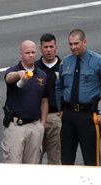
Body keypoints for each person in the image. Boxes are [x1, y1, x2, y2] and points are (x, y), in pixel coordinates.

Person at [55, 29, 101, 166]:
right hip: (68, 116)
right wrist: (60, 110)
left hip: (88, 116)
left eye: (76, 43)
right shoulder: (66, 62)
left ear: (85, 42)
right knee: (66, 160)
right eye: (70, 44)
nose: (73, 47)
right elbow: (59, 86)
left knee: (91, 161)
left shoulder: (97, 61)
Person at [2, 41, 48, 164]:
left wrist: (42, 124)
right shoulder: (14, 70)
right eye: (27, 53)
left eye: (33, 52)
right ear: (21, 54)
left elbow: (44, 100)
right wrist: (18, 74)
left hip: (35, 126)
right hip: (16, 127)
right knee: (14, 166)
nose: (31, 55)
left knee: (32, 167)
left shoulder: (42, 75)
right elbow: (8, 78)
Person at [35, 33, 62, 164]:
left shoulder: (64, 66)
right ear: (40, 49)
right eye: (46, 47)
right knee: (35, 157)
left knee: (56, 158)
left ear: (56, 47)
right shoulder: (35, 67)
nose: (49, 50)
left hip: (56, 117)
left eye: (51, 46)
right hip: (37, 118)